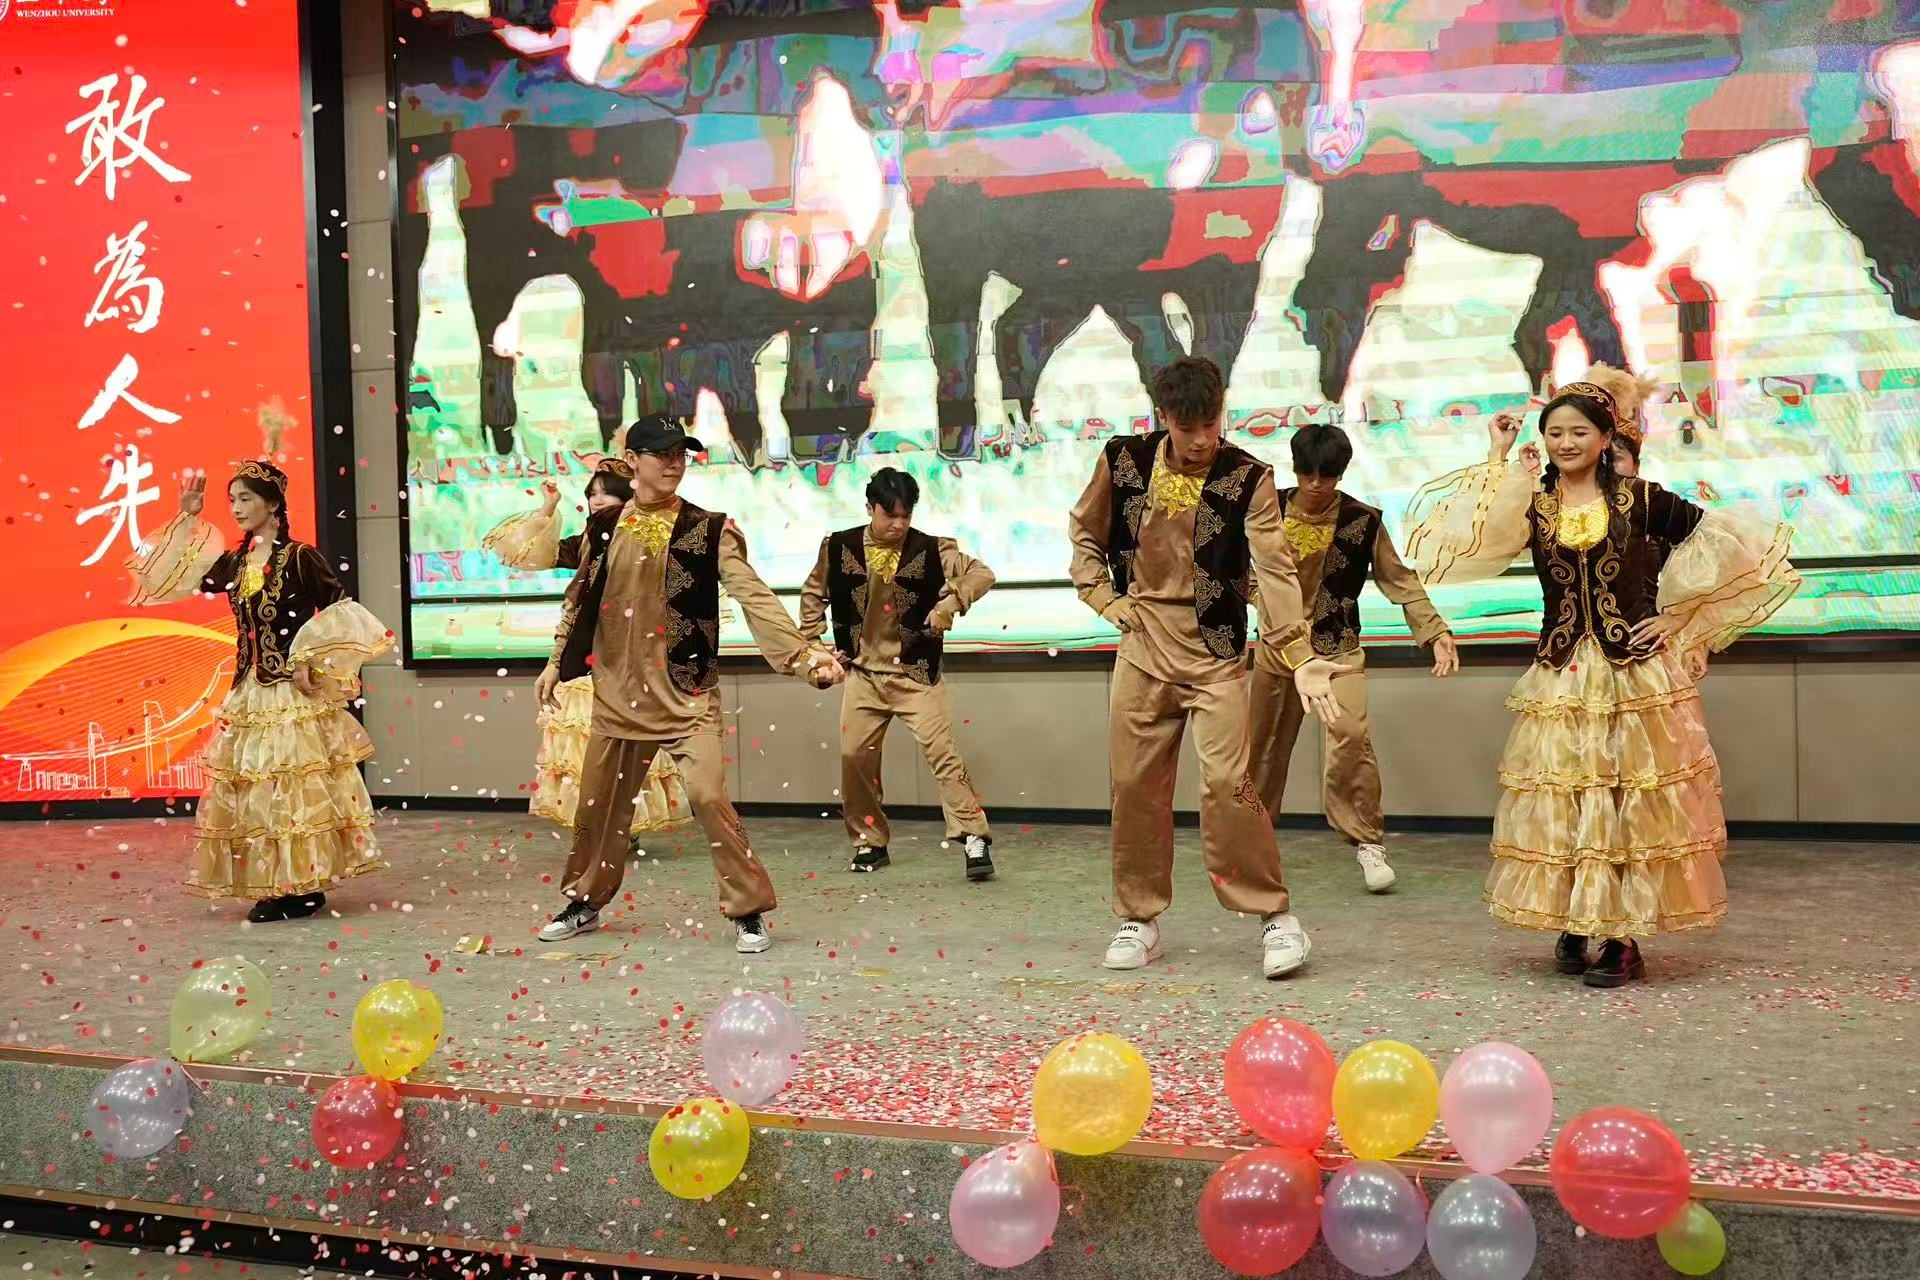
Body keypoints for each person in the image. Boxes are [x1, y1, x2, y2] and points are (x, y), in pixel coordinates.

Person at [1406, 366, 1799, 987]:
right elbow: (1460, 545)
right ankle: (1574, 921)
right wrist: (1497, 456)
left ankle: (1621, 939)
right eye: (1555, 433)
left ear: (1605, 437)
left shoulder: (1642, 499)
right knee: (1565, 800)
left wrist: (1675, 617)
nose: (1566, 443)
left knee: (1626, 802)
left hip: (1632, 678)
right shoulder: (1535, 504)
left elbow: (1731, 548)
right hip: (1562, 675)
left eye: (1579, 432)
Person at [1068, 356, 1341, 979]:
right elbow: (1085, 533)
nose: (1200, 439)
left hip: (1216, 654)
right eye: (1186, 426)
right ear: (1161, 416)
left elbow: (1274, 569)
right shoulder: (1123, 460)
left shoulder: (1249, 476)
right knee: (1135, 785)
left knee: (1228, 786)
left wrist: (1299, 654)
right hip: (1142, 648)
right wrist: (1103, 597)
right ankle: (1139, 917)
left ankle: (1273, 913)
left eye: (1210, 423)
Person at [532, 415, 846, 952]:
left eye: (681, 454)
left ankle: (747, 909)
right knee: (598, 807)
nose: (675, 463)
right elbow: (579, 600)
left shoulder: (709, 528)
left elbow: (753, 595)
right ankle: (584, 899)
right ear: (632, 462)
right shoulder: (604, 527)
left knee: (708, 797)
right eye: (663, 454)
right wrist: (557, 662)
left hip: (686, 693)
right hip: (618, 696)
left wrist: (802, 657)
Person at [129, 461, 393, 921]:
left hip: (289, 696)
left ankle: (302, 886)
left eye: (245, 498)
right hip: (250, 693)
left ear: (272, 505)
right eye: (231, 500)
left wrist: (309, 659)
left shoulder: (301, 557)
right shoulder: (235, 562)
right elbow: (167, 577)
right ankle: (279, 881)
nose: (236, 508)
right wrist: (189, 517)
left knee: (292, 790)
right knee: (257, 793)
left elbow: (341, 609)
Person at [1247, 424, 1459, 893]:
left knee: (1351, 737)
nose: (1315, 484)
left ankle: (1366, 841)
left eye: (1325, 475)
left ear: (1340, 473)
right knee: (1262, 748)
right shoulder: (1266, 512)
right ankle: (1250, 841)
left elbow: (1399, 579)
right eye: (1307, 473)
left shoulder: (1362, 520)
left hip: (1337, 648)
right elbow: (1239, 573)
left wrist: (1435, 630)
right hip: (1279, 651)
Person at [798, 467, 998, 878]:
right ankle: (869, 841)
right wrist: (814, 646)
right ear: (870, 508)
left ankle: (973, 838)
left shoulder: (933, 548)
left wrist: (950, 603)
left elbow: (982, 574)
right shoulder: (838, 546)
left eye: (906, 515)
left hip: (915, 673)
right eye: (890, 515)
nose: (899, 524)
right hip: (863, 675)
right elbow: (813, 594)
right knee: (855, 759)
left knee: (943, 756)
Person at [482, 460, 691, 837]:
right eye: (592, 494)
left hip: (637, 661)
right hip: (589, 660)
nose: (597, 500)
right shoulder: (588, 542)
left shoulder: (657, 537)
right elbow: (525, 555)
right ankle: (600, 828)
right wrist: (549, 506)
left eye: (606, 492)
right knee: (587, 749)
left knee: (632, 748)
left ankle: (623, 827)